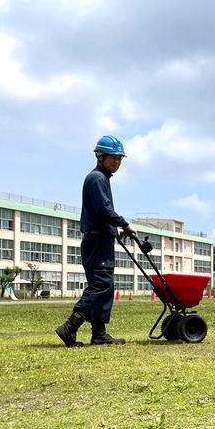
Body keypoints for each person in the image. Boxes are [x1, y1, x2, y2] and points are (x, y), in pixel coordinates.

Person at [56, 135, 136, 347]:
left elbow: (102, 213)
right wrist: (124, 224)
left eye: (120, 159)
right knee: (100, 284)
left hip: (101, 238)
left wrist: (114, 229)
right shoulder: (97, 178)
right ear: (100, 156)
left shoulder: (102, 178)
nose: (117, 163)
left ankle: (99, 333)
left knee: (105, 286)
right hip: (97, 241)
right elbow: (104, 210)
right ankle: (70, 326)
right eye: (113, 158)